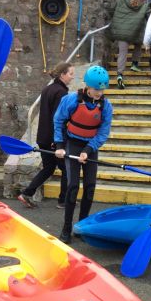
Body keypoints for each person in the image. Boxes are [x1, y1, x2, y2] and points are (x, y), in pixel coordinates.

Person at [53, 65, 113, 244]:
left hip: (90, 147)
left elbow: (103, 133)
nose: (99, 93)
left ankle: (82, 226)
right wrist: (59, 145)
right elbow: (58, 120)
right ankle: (66, 228)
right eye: (96, 89)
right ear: (87, 86)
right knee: (72, 186)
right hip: (72, 144)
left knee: (90, 186)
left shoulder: (106, 106)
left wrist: (88, 150)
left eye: (102, 89)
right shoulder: (71, 100)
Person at [17, 62, 74, 209]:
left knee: (48, 168)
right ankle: (63, 201)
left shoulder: (47, 89)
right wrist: (58, 142)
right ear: (62, 75)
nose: (72, 77)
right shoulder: (61, 93)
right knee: (67, 169)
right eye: (70, 74)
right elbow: (58, 119)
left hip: (43, 137)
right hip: (53, 139)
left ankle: (27, 194)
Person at [106, 0, 149, 89]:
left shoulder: (121, 1)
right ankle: (134, 64)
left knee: (122, 53)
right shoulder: (143, 6)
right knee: (138, 44)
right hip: (135, 31)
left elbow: (112, 11)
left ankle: (120, 75)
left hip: (121, 33)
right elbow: (149, 17)